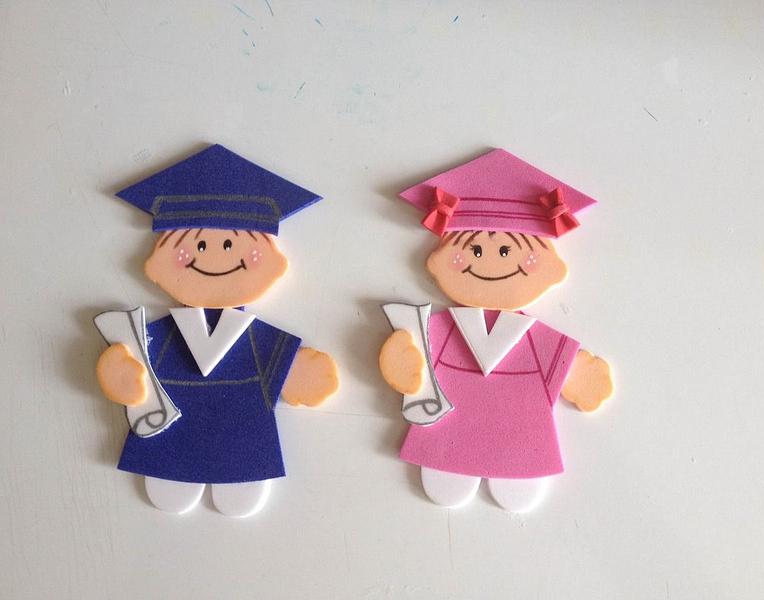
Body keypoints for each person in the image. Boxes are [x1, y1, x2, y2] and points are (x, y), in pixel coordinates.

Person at [95, 144, 338, 517]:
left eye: (229, 244)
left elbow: (275, 355)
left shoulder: (251, 335)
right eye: (198, 244)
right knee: (170, 483)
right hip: (170, 440)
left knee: (239, 487)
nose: (214, 255)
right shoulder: (156, 334)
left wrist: (296, 370)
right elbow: (139, 357)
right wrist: (124, 373)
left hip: (242, 441)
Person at [379, 149, 613, 513]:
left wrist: (577, 373)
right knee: (446, 476)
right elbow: (416, 348)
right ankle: (453, 466)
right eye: (473, 250)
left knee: (517, 477)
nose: (488, 260)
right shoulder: (439, 326)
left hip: (520, 435)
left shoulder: (531, 333)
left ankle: (514, 470)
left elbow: (558, 356)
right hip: (448, 434)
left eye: (506, 251)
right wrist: (402, 361)